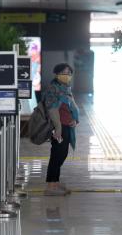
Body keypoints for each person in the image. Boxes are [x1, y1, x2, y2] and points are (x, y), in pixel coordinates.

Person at [43, 63, 79, 196]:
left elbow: (71, 107)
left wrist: (75, 120)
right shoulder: (54, 88)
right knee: (57, 155)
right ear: (57, 73)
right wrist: (57, 128)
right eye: (64, 72)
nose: (67, 75)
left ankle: (55, 183)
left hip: (67, 126)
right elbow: (52, 110)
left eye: (69, 73)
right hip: (58, 127)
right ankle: (51, 186)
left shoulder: (66, 88)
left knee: (62, 154)